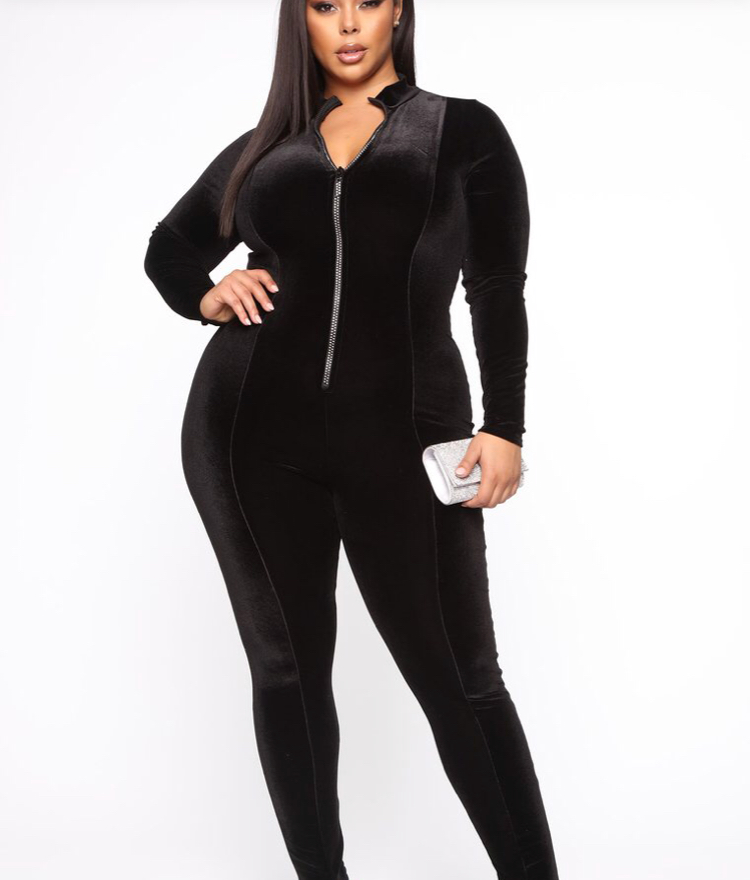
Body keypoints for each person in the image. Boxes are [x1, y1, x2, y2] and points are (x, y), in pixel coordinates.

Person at [144, 1, 559, 877]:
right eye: (324, 5)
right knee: (286, 670)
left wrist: (504, 425)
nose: (347, 25)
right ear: (300, 20)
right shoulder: (269, 149)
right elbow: (169, 246)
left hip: (406, 438)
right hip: (247, 435)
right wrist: (206, 294)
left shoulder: (460, 132)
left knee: (463, 679)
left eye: (367, 0)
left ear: (398, 9)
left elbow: (495, 284)